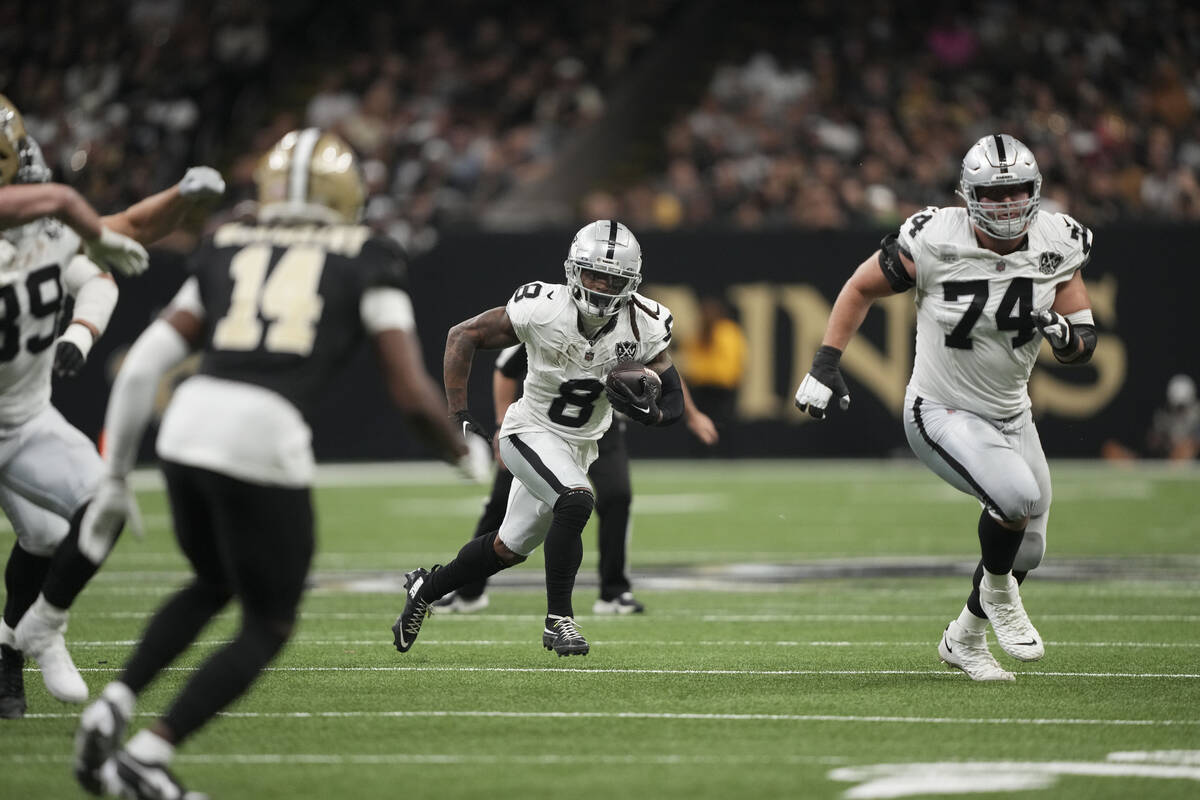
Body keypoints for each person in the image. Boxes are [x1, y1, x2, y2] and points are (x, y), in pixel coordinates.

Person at [70, 128, 490, 799]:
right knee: (269, 622)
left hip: (187, 422)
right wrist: (461, 451)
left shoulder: (227, 242)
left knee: (212, 580)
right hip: (261, 433)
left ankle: (114, 702)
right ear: (346, 191)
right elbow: (409, 390)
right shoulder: (369, 253)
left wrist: (115, 476)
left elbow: (145, 364)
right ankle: (149, 753)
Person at [794, 134, 1097, 682]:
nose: (1007, 205)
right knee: (1017, 498)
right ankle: (1001, 597)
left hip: (1012, 414)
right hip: (941, 409)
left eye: (1017, 192)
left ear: (1035, 192)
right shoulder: (933, 237)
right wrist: (824, 363)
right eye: (993, 193)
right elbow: (859, 288)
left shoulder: (1059, 239)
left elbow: (1083, 341)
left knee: (1028, 548)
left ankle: (965, 637)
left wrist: (1063, 337)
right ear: (968, 194)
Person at [0, 94, 227, 719]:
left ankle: (23, 638)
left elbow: (124, 231)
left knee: (93, 511)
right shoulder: (45, 207)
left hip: (21, 417)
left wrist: (180, 196)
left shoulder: (41, 227)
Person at [393, 219, 684, 658]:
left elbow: (675, 398)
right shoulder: (543, 308)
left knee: (506, 549)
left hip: (582, 444)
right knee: (577, 499)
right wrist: (459, 416)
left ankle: (424, 588)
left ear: (632, 283)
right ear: (573, 270)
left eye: (615, 279)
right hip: (529, 430)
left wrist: (654, 413)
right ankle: (559, 620)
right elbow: (462, 335)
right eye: (594, 274)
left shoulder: (645, 324)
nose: (603, 286)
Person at [434, 342, 718, 616]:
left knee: (617, 496)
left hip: (600, 426)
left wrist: (689, 414)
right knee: (500, 503)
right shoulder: (552, 321)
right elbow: (507, 370)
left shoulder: (634, 325)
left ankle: (614, 591)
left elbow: (665, 372)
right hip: (544, 428)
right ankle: (468, 591)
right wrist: (500, 425)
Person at [678, 294, 747, 455]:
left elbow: (726, 371)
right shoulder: (699, 333)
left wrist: (697, 370)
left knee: (722, 426)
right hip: (701, 390)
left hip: (722, 391)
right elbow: (689, 359)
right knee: (696, 426)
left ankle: (724, 459)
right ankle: (700, 458)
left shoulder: (728, 332)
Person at [1147, 374, 1200, 461]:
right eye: (1178, 407)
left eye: (1182, 407)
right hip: (1169, 459)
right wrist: (1161, 440)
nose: (1180, 411)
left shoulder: (1197, 413)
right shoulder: (1163, 416)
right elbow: (1153, 443)